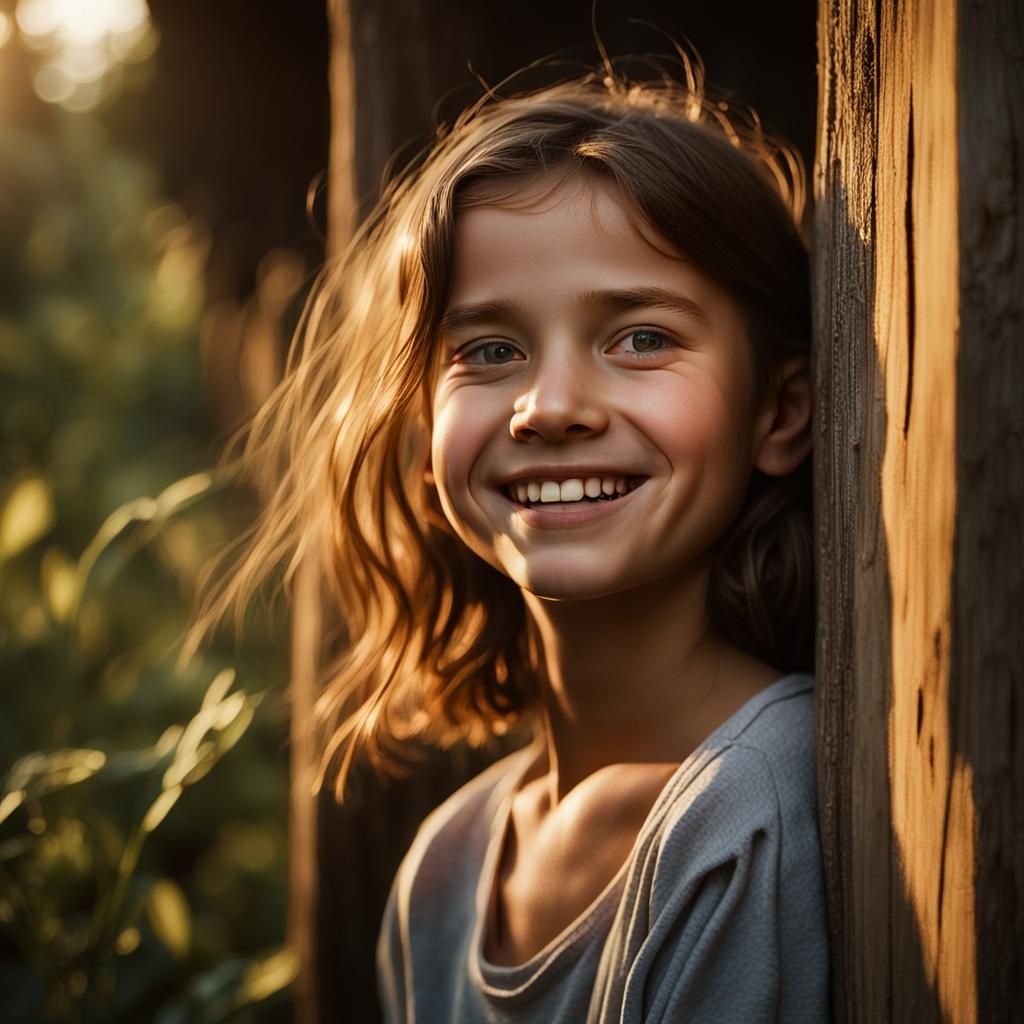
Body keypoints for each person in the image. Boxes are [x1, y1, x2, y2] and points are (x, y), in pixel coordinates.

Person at [197, 53, 829, 1024]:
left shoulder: (754, 811)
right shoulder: (448, 867)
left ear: (779, 412)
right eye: (489, 351)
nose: (552, 407)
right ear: (420, 436)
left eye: (641, 338)